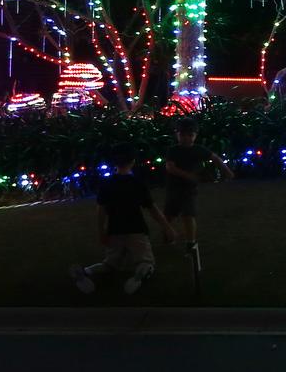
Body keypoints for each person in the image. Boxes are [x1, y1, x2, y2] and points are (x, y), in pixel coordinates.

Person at [70, 144, 175, 295]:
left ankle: (86, 271)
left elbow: (101, 210)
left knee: (110, 263)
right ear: (133, 161)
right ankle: (141, 274)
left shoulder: (107, 184)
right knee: (146, 261)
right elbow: (152, 209)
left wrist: (102, 232)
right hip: (136, 229)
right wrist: (167, 227)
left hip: (114, 230)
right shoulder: (137, 184)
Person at [163, 118, 233, 254]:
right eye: (183, 135)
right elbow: (170, 168)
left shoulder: (198, 149)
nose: (186, 138)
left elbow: (215, 158)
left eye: (190, 135)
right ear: (177, 134)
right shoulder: (173, 150)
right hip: (174, 188)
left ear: (195, 135)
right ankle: (168, 235)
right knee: (169, 215)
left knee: (188, 215)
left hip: (189, 189)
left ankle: (190, 242)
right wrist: (189, 175)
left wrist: (227, 171)